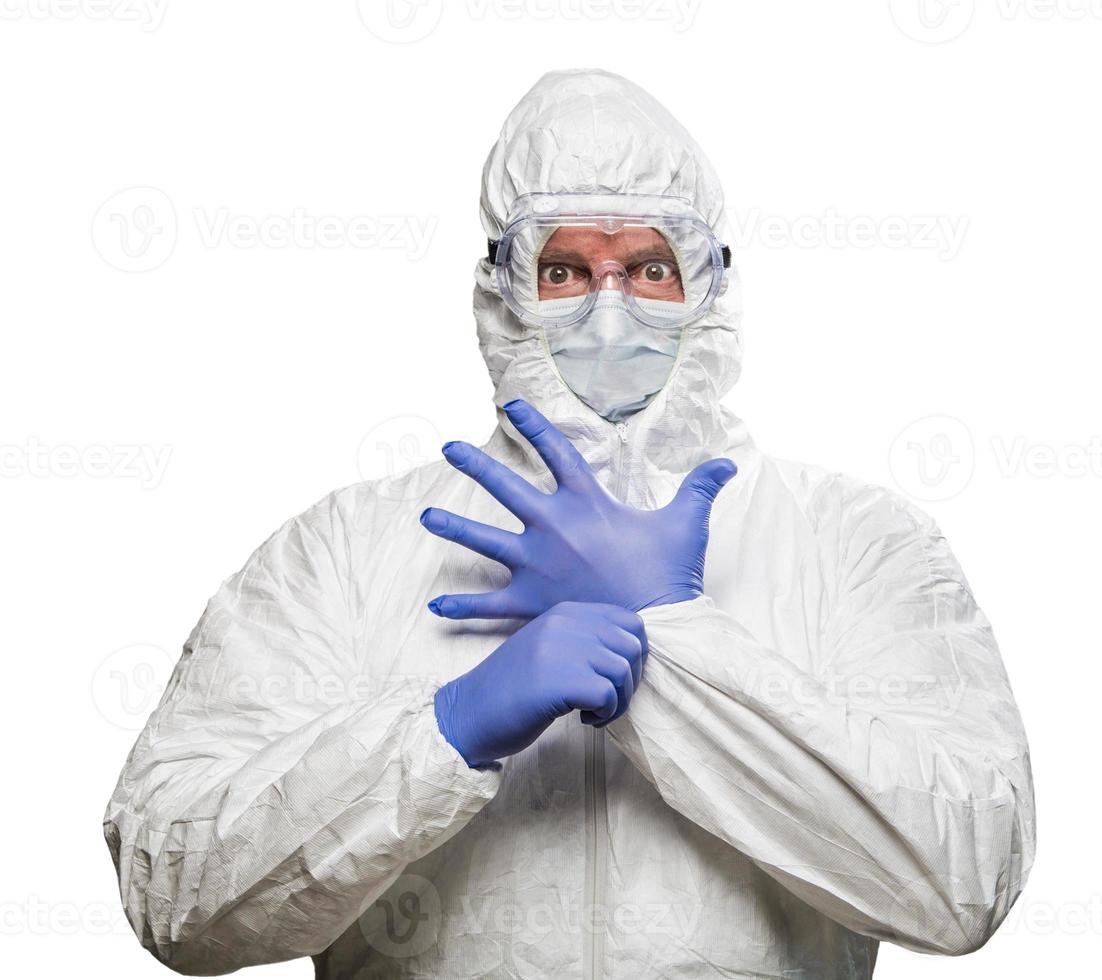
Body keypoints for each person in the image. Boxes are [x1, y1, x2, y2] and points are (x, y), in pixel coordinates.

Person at [104, 69, 1035, 979]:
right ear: (500, 290)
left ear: (709, 286)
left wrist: (669, 645)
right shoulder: (347, 551)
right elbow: (178, 901)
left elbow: (959, 883)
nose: (609, 308)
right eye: (563, 269)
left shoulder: (856, 545)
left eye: (649, 268)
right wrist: (443, 731)